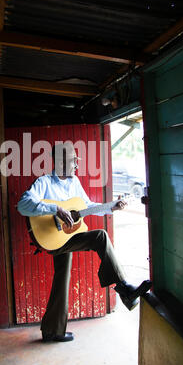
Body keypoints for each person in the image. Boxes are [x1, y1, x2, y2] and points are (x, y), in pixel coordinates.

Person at [17, 142, 151, 342]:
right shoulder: (44, 182)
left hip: (66, 236)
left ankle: (52, 331)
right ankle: (124, 288)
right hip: (50, 237)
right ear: (61, 162)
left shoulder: (74, 182)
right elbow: (23, 205)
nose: (76, 166)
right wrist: (55, 210)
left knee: (62, 277)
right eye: (73, 162)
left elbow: (86, 206)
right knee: (100, 237)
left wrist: (112, 207)